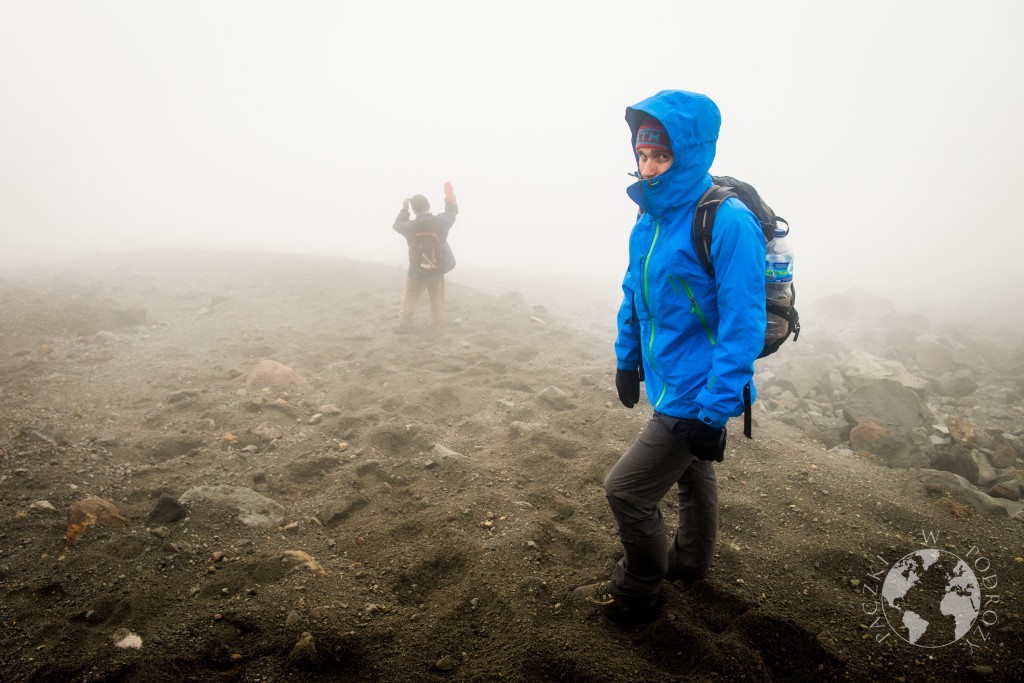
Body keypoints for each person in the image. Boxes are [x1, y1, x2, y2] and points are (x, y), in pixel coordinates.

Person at [572, 90, 767, 619]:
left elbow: (743, 323)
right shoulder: (650, 215)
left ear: (691, 152)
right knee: (692, 471)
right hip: (667, 376)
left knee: (626, 492)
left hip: (698, 386)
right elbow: (634, 291)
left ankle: (638, 588)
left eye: (661, 156)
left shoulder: (727, 221)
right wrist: (626, 359)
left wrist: (715, 407)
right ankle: (691, 562)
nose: (650, 166)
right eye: (642, 155)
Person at [392, 182, 458, 332]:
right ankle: (434, 325)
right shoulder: (441, 221)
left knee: (410, 297)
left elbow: (396, 225)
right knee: (437, 299)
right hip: (437, 267)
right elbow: (453, 212)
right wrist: (449, 197)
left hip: (417, 271)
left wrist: (404, 209)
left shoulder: (410, 226)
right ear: (429, 204)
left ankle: (403, 325)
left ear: (414, 210)